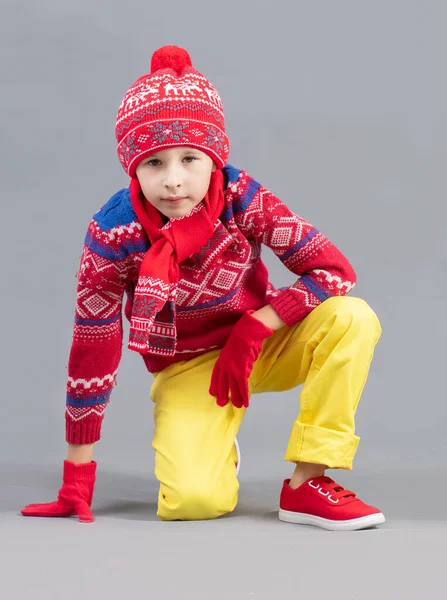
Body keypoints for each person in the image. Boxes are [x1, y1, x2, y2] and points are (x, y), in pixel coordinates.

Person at [21, 45, 384, 531]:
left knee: (352, 316)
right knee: (192, 502)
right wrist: (76, 478)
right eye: (153, 163)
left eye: (190, 158)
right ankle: (212, 447)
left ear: (215, 159)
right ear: (133, 168)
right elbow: (94, 348)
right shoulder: (113, 234)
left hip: (263, 344)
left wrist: (259, 324)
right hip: (190, 367)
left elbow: (333, 270)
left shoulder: (242, 197)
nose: (174, 182)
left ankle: (306, 484)